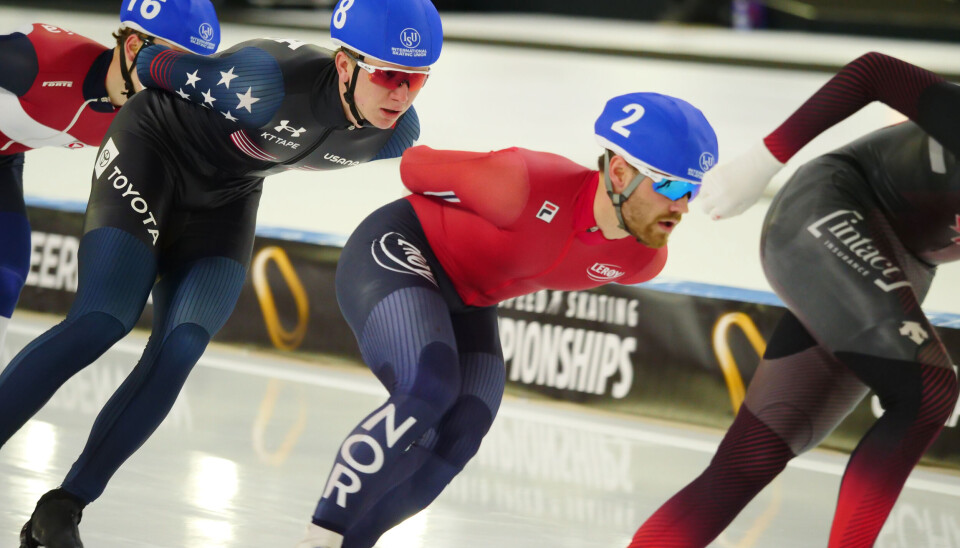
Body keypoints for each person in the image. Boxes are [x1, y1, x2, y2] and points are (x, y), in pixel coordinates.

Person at [0, 0, 442, 546]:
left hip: (228, 196)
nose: (401, 95)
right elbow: (153, 62)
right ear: (347, 65)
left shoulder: (393, 135)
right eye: (391, 75)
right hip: (151, 151)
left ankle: (62, 508)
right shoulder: (264, 81)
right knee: (102, 319)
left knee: (182, 345)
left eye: (417, 81)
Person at [299, 91, 718, 548]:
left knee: (464, 428)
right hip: (401, 247)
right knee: (427, 387)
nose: (683, 207)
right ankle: (318, 539)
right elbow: (413, 167)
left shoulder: (642, 259)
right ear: (619, 172)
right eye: (672, 187)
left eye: (692, 190)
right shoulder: (522, 182)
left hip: (471, 300)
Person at [630, 52, 960, 548]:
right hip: (835, 204)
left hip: (902, 258)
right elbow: (874, 71)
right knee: (929, 391)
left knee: (752, 457)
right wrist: (763, 160)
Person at [0, 0, 220, 363]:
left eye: (192, 72)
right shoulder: (38, 61)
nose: (180, 86)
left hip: (5, 160)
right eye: (171, 66)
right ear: (133, 47)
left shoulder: (155, 114)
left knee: (5, 276)